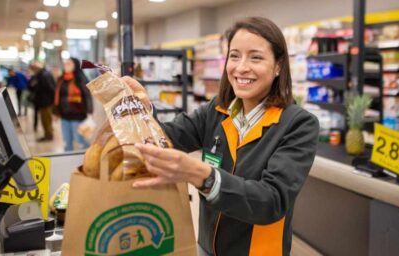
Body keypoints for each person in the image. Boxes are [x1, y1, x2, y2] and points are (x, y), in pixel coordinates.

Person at [123, 17, 319, 255]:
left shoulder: (297, 124)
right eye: (234, 56)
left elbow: (272, 201)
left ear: (278, 66)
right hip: (207, 246)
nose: (241, 67)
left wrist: (202, 175)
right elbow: (166, 137)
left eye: (255, 57)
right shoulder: (217, 110)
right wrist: (142, 111)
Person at [54, 57, 92, 151]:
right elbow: (57, 96)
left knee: (79, 138)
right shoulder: (61, 79)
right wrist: (56, 112)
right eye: (65, 63)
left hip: (78, 114)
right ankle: (68, 159)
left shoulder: (80, 79)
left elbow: (87, 96)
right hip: (64, 114)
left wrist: (90, 111)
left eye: (69, 63)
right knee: (67, 140)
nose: (66, 65)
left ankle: (88, 154)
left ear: (75, 65)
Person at [27, 61, 56, 142]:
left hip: (46, 102)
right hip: (42, 101)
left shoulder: (44, 75)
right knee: (44, 120)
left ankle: (49, 136)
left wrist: (52, 101)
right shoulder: (39, 75)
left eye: (33, 68)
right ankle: (47, 135)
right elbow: (31, 86)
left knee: (47, 119)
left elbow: (51, 89)